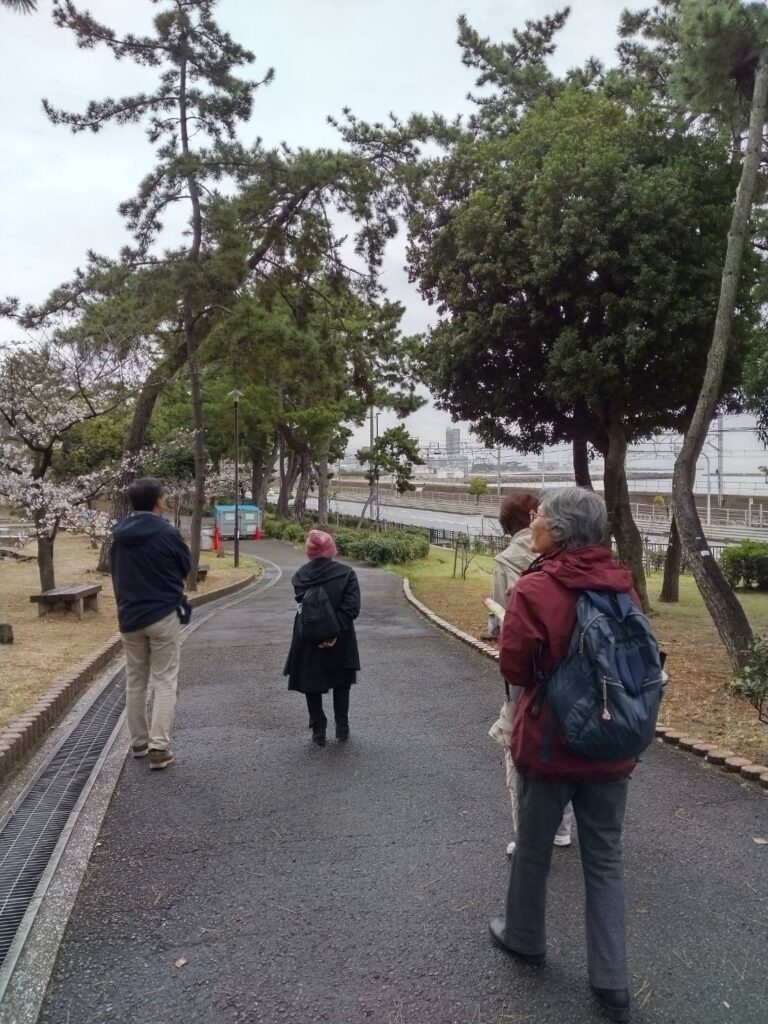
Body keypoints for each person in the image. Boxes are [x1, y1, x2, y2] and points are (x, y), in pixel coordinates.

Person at [489, 487, 638, 1024]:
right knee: (605, 861)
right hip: (612, 743)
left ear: (560, 531)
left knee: (534, 849)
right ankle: (613, 980)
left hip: (550, 741)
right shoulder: (621, 584)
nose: (534, 522)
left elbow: (515, 667)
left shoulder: (535, 587)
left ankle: (524, 936)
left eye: (542, 517)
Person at [487, 493, 573, 857]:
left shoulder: (508, 560)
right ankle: (562, 828)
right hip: (570, 669)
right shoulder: (574, 557)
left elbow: (499, 627)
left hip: (527, 672)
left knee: (521, 747)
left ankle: (527, 837)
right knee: (563, 742)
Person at [111, 477, 191, 771]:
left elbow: (115, 572)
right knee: (165, 679)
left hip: (129, 616)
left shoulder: (119, 534)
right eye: (164, 496)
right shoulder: (167, 533)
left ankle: (139, 743)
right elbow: (185, 565)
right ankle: (159, 747)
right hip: (162, 614)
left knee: (135, 680)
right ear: (158, 501)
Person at [284, 530, 361, 746]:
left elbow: (304, 606)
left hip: (309, 636)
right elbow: (352, 607)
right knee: (342, 682)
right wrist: (334, 633)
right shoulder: (347, 574)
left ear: (309, 551)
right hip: (341, 636)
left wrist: (320, 633)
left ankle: (318, 728)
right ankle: (342, 727)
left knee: (311, 681)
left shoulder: (300, 576)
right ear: (331, 549)